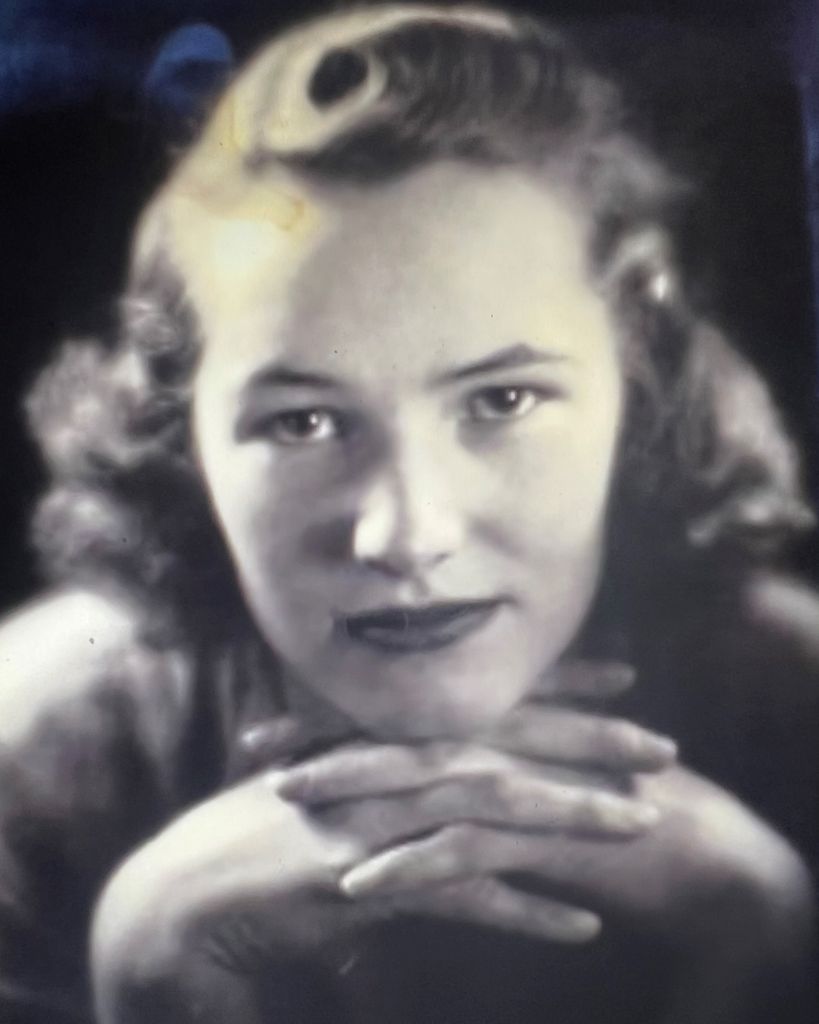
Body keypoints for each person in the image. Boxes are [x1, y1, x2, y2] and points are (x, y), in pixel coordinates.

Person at [1, 4, 817, 1022]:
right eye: (302, 421)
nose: (406, 536)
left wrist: (764, 947)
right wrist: (152, 964)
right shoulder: (25, 757)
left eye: (503, 400)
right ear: (180, 433)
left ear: (637, 383)